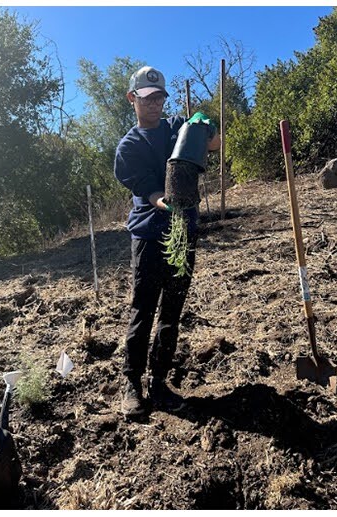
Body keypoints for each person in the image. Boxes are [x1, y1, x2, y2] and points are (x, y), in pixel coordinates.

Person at [114, 66, 220, 418]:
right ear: (133, 99)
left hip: (183, 233)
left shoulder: (177, 126)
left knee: (172, 311)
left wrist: (206, 125)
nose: (156, 105)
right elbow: (151, 192)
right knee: (143, 309)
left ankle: (159, 383)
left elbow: (213, 144)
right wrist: (168, 201)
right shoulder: (129, 148)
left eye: (160, 98)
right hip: (148, 234)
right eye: (148, 99)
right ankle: (131, 384)